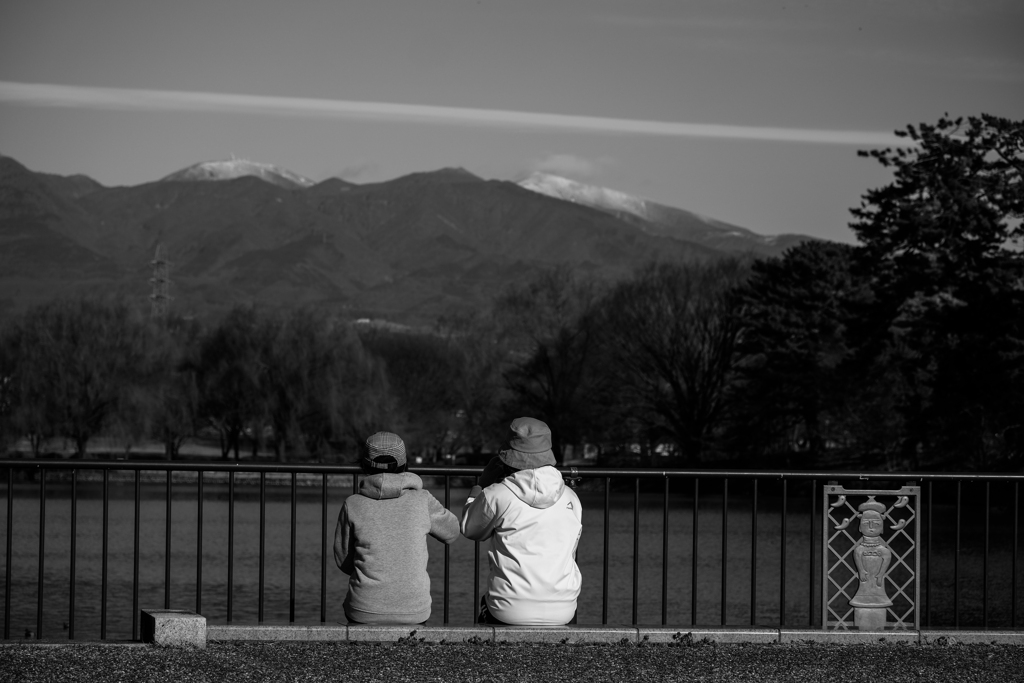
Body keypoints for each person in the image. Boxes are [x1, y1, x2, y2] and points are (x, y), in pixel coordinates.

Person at [461, 417, 583, 625]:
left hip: (508, 609)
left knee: (486, 607)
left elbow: (470, 529)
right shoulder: (571, 497)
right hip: (564, 609)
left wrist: (481, 486)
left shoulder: (497, 494)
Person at [334, 431, 460, 625]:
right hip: (414, 610)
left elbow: (343, 560)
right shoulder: (422, 499)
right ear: (404, 464)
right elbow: (452, 532)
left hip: (364, 608)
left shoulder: (353, 504)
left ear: (365, 465)